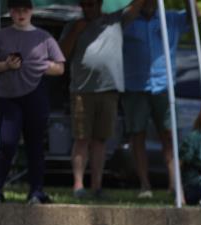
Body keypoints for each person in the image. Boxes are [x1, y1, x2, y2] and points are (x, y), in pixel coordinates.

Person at [59, 0, 147, 199]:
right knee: (82, 139)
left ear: (100, 4)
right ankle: (78, 186)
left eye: (91, 5)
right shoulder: (73, 25)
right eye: (84, 5)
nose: (87, 9)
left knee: (100, 140)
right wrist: (76, 31)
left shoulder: (115, 20)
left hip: (109, 90)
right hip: (82, 90)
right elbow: (61, 54)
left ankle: (97, 187)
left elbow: (137, 6)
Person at [0, 0, 65, 205]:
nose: (21, 14)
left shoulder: (44, 37)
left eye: (24, 10)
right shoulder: (0, 36)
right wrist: (5, 65)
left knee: (35, 144)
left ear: (31, 11)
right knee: (7, 143)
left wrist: (43, 65)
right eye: (16, 11)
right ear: (10, 12)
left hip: (35, 95)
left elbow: (60, 68)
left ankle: (36, 191)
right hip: (8, 97)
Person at [122, 0, 189, 198]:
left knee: (169, 136)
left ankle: (174, 185)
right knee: (137, 136)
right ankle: (145, 186)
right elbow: (124, 20)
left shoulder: (171, 18)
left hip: (163, 85)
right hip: (135, 86)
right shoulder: (129, 16)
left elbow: (195, 17)